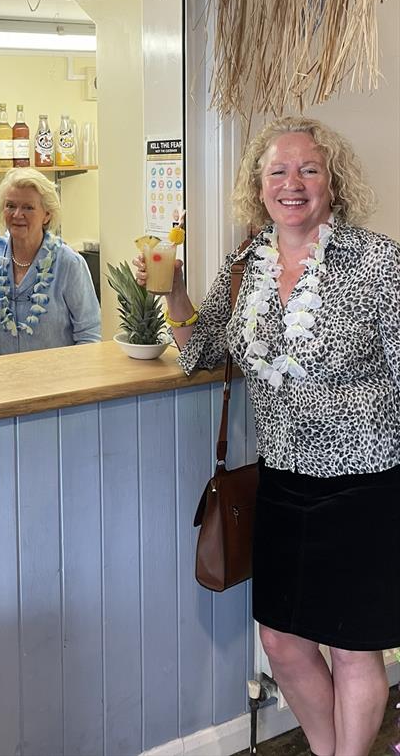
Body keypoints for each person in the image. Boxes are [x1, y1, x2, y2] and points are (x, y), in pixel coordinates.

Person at [137, 117, 399, 756]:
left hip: (364, 485)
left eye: (309, 169)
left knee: (353, 648)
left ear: (332, 182)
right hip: (281, 481)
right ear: (258, 188)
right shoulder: (243, 265)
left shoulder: (378, 262)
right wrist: (173, 292)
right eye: (278, 171)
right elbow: (200, 351)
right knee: (281, 640)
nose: (293, 184)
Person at [0, 167, 101, 356]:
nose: (17, 214)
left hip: (57, 381)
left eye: (28, 207)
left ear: (47, 214)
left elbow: (89, 334)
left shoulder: (69, 264)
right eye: (10, 206)